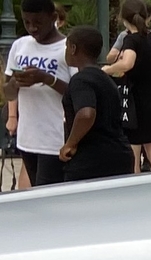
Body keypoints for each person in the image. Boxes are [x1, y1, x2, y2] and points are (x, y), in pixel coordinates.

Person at [2, 0, 71, 187]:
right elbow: (7, 91)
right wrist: (15, 83)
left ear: (53, 18)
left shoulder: (67, 48)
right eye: (27, 22)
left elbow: (76, 93)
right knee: (35, 191)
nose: (32, 28)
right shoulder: (20, 46)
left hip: (56, 138)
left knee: (46, 193)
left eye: (38, 22)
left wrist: (46, 78)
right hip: (28, 138)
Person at [57, 26, 138, 181]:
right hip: (119, 155)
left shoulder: (80, 80)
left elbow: (86, 113)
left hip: (91, 161)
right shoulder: (106, 79)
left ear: (73, 48)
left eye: (67, 46)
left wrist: (70, 144)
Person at [101, 0, 151, 173]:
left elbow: (127, 63)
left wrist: (107, 69)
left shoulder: (131, 39)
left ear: (123, 18)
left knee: (132, 162)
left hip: (134, 108)